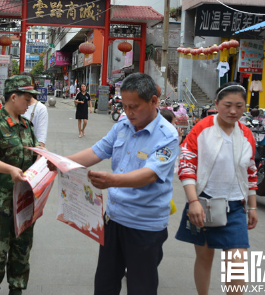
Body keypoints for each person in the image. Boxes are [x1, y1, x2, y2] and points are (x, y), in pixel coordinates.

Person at [63, 73, 179, 294]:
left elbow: (149, 175)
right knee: (105, 284)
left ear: (154, 101)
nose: (128, 112)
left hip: (145, 226)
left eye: (134, 106)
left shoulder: (168, 136)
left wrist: (111, 181)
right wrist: (63, 163)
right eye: (125, 106)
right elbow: (97, 151)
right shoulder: (123, 125)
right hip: (113, 219)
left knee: (140, 287)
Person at [175, 82, 258, 295]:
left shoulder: (247, 134)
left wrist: (253, 207)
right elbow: (187, 164)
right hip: (204, 204)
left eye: (239, 106)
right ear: (216, 104)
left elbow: (250, 171)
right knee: (204, 257)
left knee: (237, 265)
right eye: (227, 105)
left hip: (236, 208)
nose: (233, 111)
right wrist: (193, 201)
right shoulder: (202, 128)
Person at [0, 75, 42, 295]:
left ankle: (17, 290)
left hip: (23, 203)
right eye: (27, 98)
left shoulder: (26, 126)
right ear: (13, 97)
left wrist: (45, 160)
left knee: (21, 255)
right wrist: (10, 169)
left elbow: (32, 155)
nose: (29, 103)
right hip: (0, 204)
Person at [20, 72, 49, 147]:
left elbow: (41, 141)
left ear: (32, 86)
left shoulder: (40, 109)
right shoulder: (14, 105)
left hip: (31, 154)